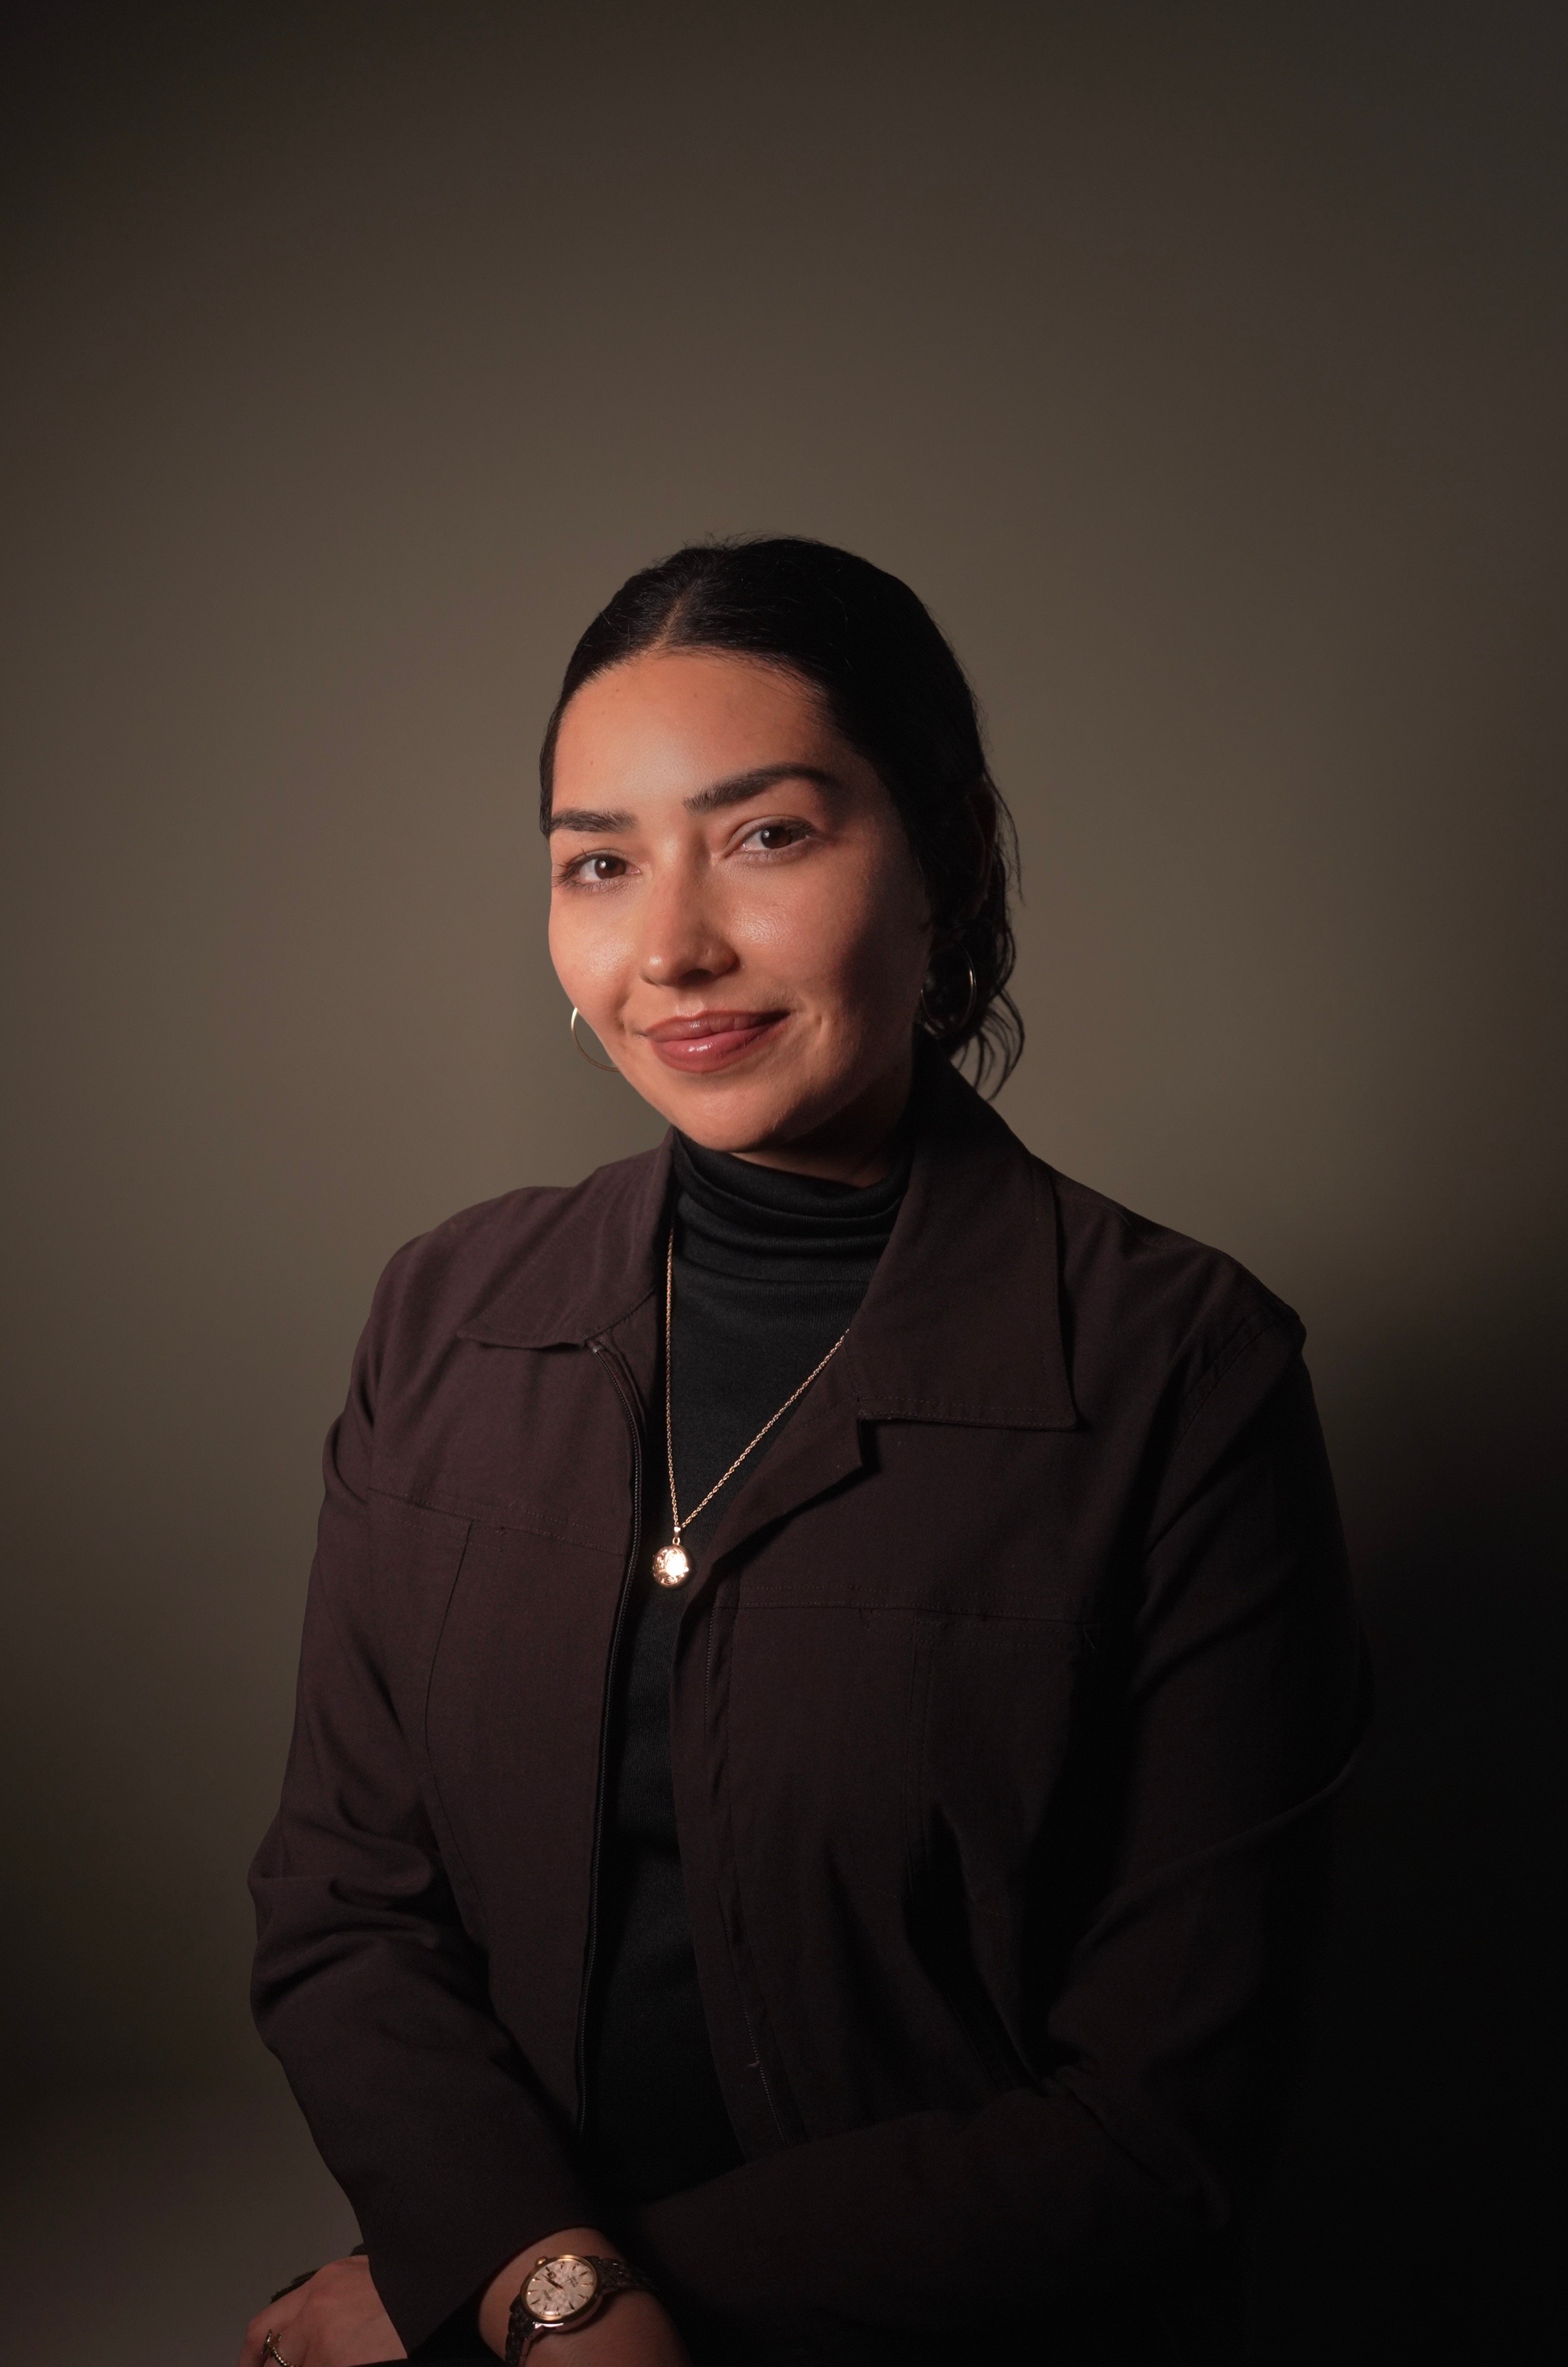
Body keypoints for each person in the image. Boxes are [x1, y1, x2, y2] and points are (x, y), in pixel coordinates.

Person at [239, 537, 1366, 2367]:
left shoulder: (1185, 1377)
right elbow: (341, 1909)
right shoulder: (444, 1316)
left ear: (948, 860)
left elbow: (1161, 2120)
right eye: (599, 864)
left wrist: (555, 2299)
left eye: (766, 837)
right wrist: (523, 2269)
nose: (671, 945)